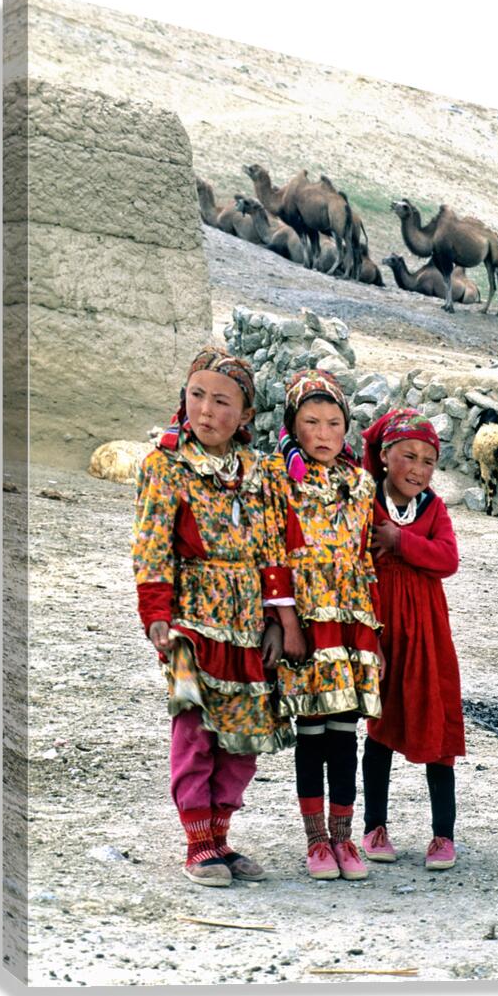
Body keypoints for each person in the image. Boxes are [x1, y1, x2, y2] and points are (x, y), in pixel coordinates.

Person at [132, 346, 293, 888]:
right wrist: (157, 613)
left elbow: (274, 548)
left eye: (221, 401)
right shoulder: (165, 465)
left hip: (248, 623)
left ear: (246, 415)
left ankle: (220, 836)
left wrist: (277, 620)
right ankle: (197, 841)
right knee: (196, 730)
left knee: (242, 734)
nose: (205, 410)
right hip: (191, 621)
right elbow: (152, 543)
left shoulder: (261, 473)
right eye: (196, 394)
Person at [261, 369, 384, 881]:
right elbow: (273, 553)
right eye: (311, 421)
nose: (325, 433)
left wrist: (375, 634)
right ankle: (315, 842)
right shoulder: (278, 480)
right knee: (311, 730)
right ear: (294, 425)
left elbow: (364, 560)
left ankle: (344, 838)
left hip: (352, 621)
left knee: (344, 731)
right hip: (307, 621)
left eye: (334, 422)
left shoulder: (360, 483)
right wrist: (286, 621)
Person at [360, 408, 465, 870]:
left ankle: (443, 835)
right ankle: (373, 826)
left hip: (427, 634)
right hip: (382, 632)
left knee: (437, 726)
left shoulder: (434, 509)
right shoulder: (366, 504)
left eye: (428, 460)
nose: (419, 469)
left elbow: (447, 559)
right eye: (409, 456)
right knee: (381, 725)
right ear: (384, 457)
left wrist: (400, 543)